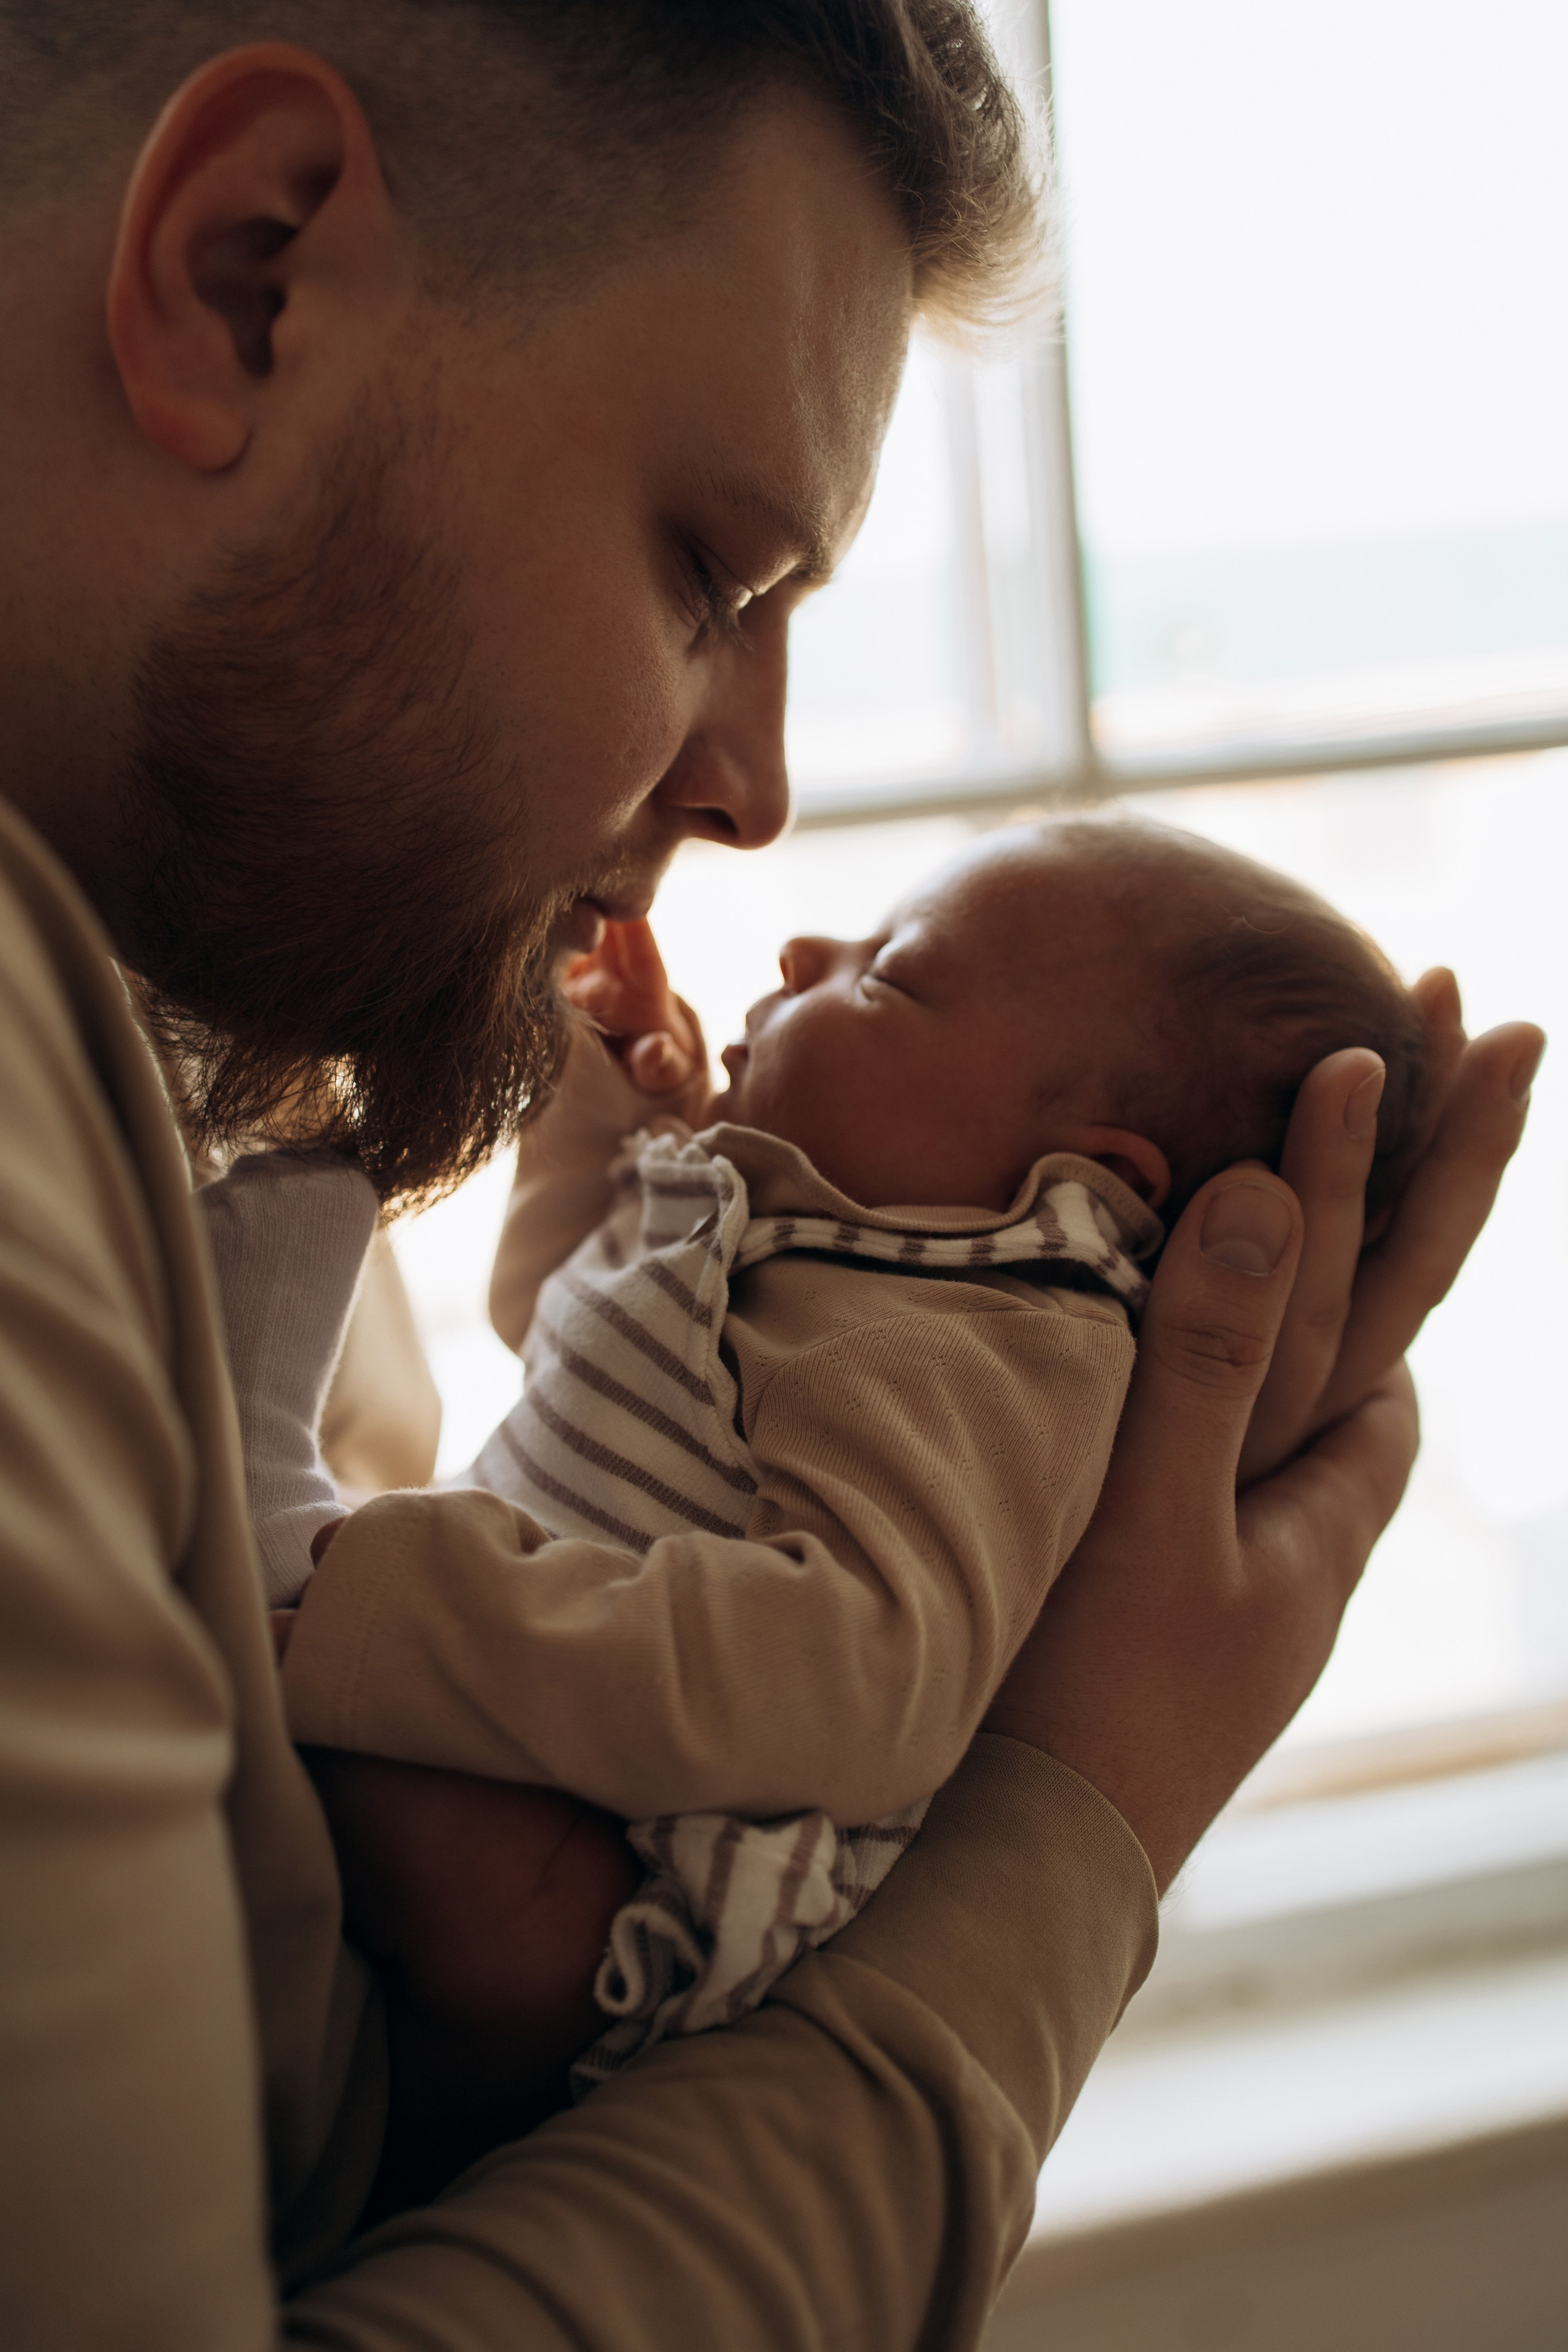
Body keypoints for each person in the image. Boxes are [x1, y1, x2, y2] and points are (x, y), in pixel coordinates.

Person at [0, 2, 1540, 2345]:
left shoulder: (224, 1032)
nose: (760, 795)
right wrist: (1088, 1814)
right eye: (710, 572)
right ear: (251, 272)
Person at [201, 815, 1434, 2097]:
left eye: (889, 975)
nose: (802, 951)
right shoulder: (798, 1237)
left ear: (1084, 1176)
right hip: (525, 1696)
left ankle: (272, 1541)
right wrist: (606, 1105)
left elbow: (863, 1684)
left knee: (494, 1886)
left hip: (617, 1896)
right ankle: (283, 1551)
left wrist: (414, 1609)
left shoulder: (961, 1341)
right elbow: (562, 1326)